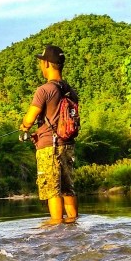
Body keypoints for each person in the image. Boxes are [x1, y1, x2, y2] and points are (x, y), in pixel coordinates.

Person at [19, 44, 79, 226]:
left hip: (49, 148)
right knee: (68, 189)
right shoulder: (71, 91)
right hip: (67, 145)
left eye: (41, 62)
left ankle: (55, 231)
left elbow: (29, 119)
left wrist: (23, 128)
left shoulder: (44, 90)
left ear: (46, 63)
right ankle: (73, 225)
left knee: (52, 190)